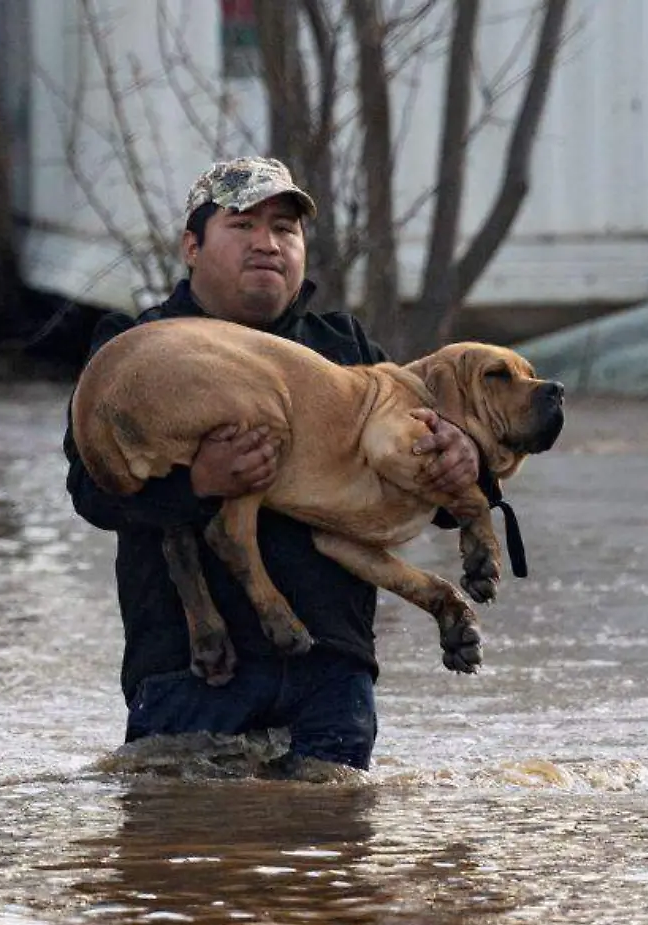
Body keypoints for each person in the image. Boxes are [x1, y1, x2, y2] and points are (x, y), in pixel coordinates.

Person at [60, 156, 480, 772]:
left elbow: (420, 484)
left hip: (331, 675)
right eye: (242, 225)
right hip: (191, 674)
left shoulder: (345, 349)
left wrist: (464, 462)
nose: (268, 244)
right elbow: (89, 490)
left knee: (331, 860)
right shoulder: (137, 345)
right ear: (191, 246)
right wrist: (198, 484)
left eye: (285, 228)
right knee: (187, 861)